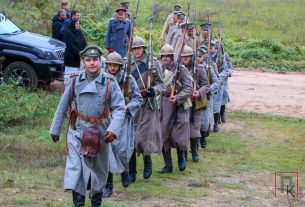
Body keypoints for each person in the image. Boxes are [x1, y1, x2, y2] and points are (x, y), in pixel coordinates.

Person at [50, 45, 126, 207]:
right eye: (88, 60)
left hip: (101, 133)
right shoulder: (75, 79)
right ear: (83, 62)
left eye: (95, 60)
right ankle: (78, 203)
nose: (92, 63)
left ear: (101, 62)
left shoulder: (109, 83)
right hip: (77, 131)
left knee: (98, 171)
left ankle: (96, 201)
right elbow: (63, 105)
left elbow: (120, 107)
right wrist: (55, 129)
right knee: (76, 169)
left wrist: (113, 129)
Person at [103, 52, 143, 197]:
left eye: (115, 65)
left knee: (122, 150)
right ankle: (108, 185)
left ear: (120, 66)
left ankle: (124, 170)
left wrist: (127, 107)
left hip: (123, 118)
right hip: (106, 118)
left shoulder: (129, 79)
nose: (113, 68)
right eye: (110, 65)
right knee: (106, 151)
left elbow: (138, 99)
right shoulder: (102, 79)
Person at [129, 36, 164, 182]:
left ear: (144, 48)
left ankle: (147, 160)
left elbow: (162, 85)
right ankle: (131, 171)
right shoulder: (127, 64)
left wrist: (153, 90)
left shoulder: (153, 64)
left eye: (139, 48)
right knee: (130, 138)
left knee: (143, 137)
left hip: (147, 105)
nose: (136, 51)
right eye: (134, 49)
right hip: (131, 104)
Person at [158, 44, 193, 174]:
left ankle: (181, 157)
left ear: (172, 57)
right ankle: (168, 165)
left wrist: (178, 97)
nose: (165, 58)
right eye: (163, 56)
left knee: (179, 134)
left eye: (168, 56)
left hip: (178, 105)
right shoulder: (159, 69)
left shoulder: (181, 69)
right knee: (163, 134)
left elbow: (189, 88)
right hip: (163, 104)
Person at [180, 45, 209, 162]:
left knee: (194, 130)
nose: (185, 58)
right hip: (183, 104)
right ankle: (184, 153)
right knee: (183, 130)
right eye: (183, 56)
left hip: (196, 103)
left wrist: (199, 92)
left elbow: (206, 85)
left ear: (191, 56)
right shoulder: (179, 69)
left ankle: (194, 150)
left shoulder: (199, 69)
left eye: (187, 56)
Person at [198, 45, 220, 148]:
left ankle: (203, 137)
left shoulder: (210, 68)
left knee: (205, 120)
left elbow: (217, 82)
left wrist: (208, 90)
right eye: (197, 55)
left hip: (207, 97)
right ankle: (196, 139)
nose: (199, 57)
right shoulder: (192, 68)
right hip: (195, 97)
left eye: (201, 55)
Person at [62, 19, 87, 86]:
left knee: (78, 76)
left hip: (79, 58)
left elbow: (84, 42)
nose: (78, 25)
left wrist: (85, 50)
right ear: (73, 24)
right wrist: (80, 53)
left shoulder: (79, 32)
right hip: (71, 58)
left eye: (78, 24)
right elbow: (70, 45)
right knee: (70, 77)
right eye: (76, 24)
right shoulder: (67, 32)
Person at [220, 52, 233, 123]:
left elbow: (230, 67)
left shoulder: (225, 54)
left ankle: (222, 114)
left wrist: (228, 73)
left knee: (224, 96)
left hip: (223, 80)